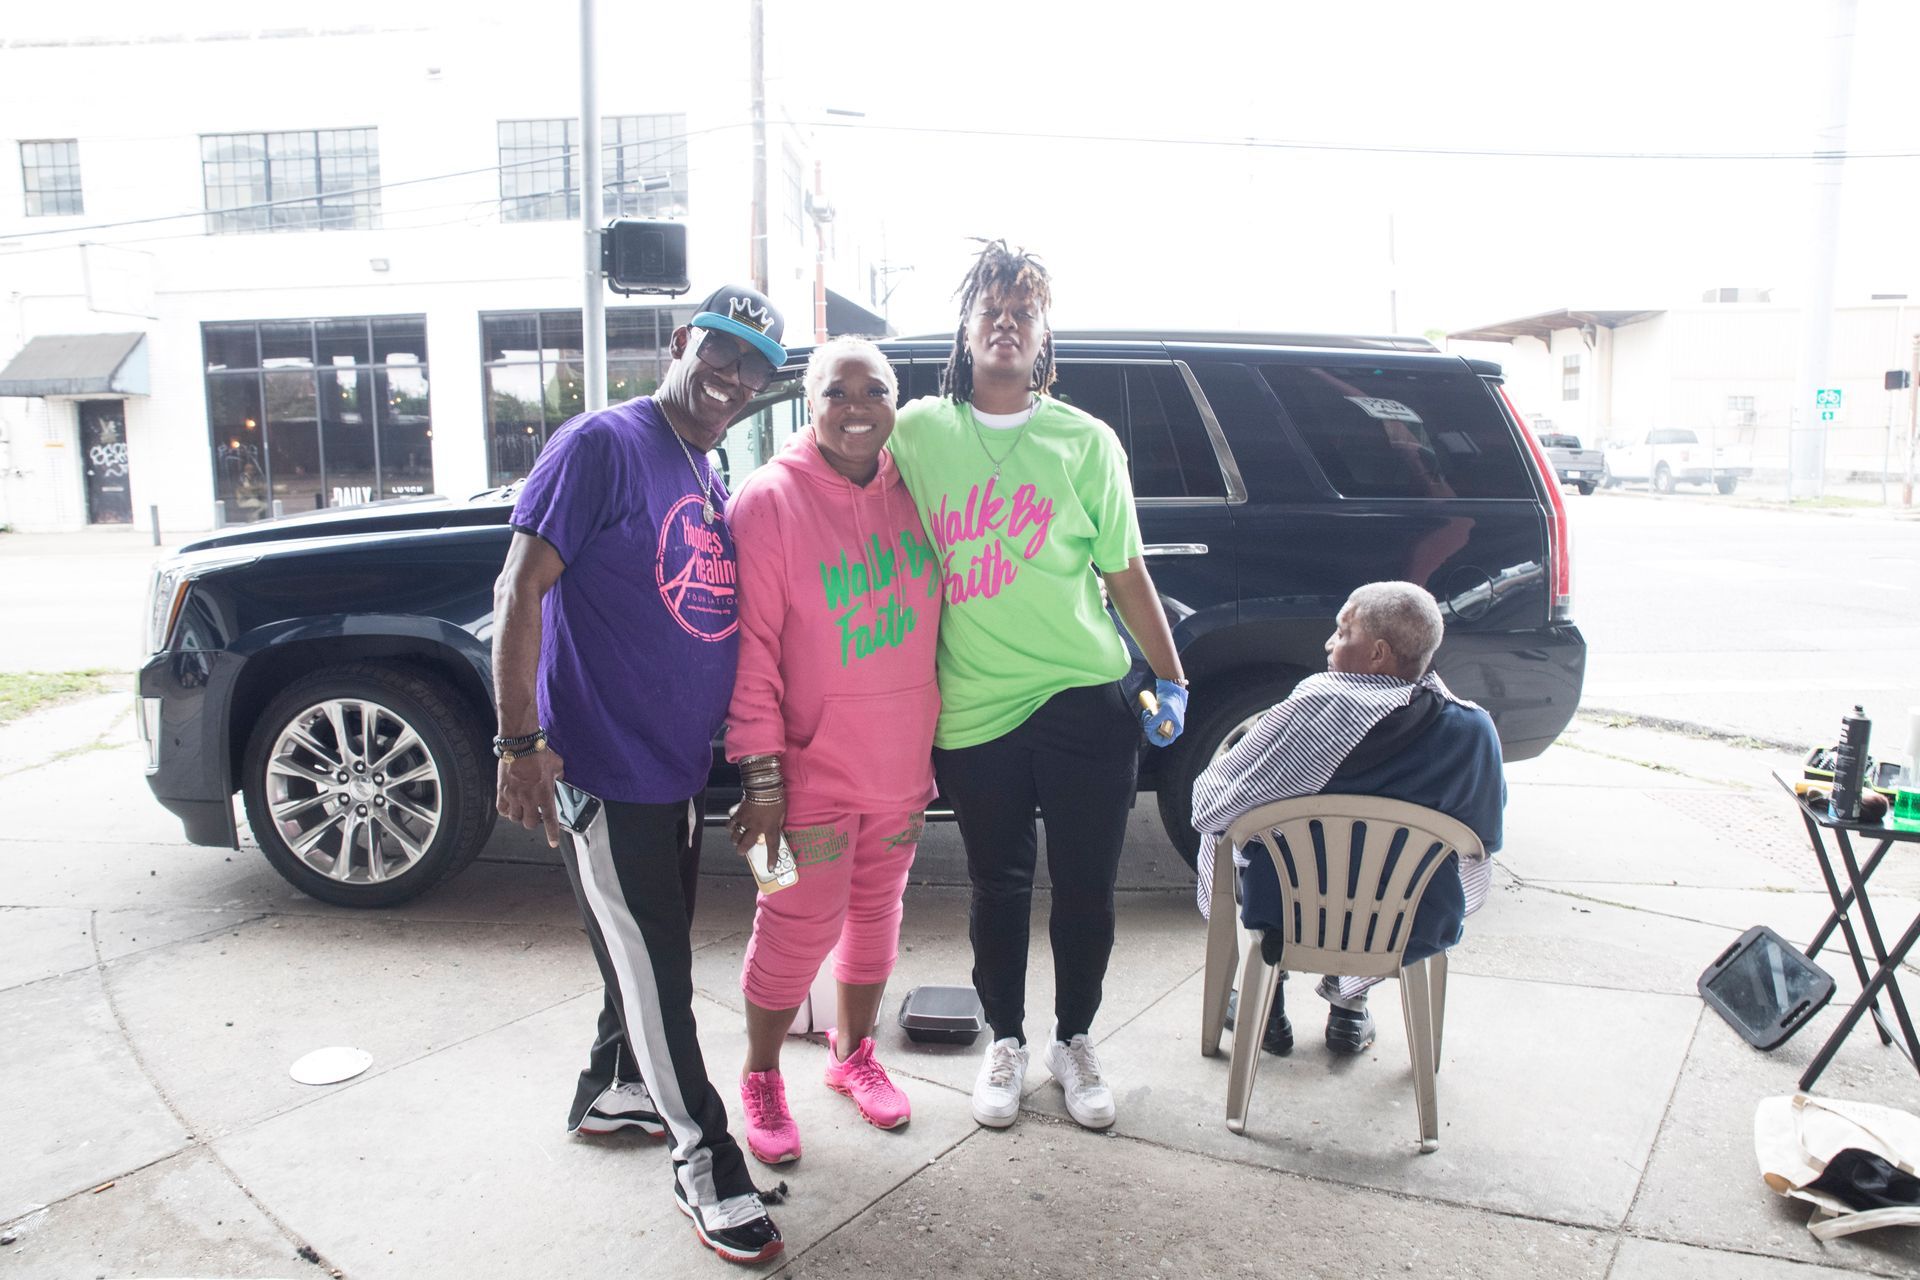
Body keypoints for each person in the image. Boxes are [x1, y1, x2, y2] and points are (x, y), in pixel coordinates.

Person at [491, 284, 787, 1265]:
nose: (735, 377)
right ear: (681, 341)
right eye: (722, 349)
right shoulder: (604, 444)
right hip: (604, 762)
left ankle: (611, 1087)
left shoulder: (700, 465)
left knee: (645, 953)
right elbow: (520, 585)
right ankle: (705, 1158)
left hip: (672, 768)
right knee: (656, 961)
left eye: (754, 365)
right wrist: (520, 743)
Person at [886, 240, 1189, 1132]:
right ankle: (1008, 1041)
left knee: (1088, 885)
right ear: (967, 330)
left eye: (1024, 310)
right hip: (973, 706)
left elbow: (1125, 573)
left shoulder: (1085, 443)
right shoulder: (918, 432)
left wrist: (1169, 676)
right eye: (992, 307)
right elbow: (836, 470)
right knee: (998, 884)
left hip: (1083, 698)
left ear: (1043, 336)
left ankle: (1076, 1039)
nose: (1007, 322)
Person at [722, 336, 942, 1164]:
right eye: (836, 393)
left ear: (896, 401)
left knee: (876, 916)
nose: (857, 408)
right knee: (789, 924)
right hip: (795, 780)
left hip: (898, 773)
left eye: (874, 391)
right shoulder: (770, 500)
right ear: (808, 405)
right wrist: (761, 778)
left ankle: (853, 1060)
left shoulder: (918, 489)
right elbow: (750, 653)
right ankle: (761, 1074)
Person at [1190, 581, 1505, 1056]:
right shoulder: (1472, 730)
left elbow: (1213, 805)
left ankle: (1266, 1000)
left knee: (1250, 843)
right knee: (1389, 875)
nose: (1329, 643)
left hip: (1289, 918)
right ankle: (1350, 1008)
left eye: (1343, 632)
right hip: (1412, 922)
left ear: (1377, 653)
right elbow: (1483, 838)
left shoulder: (1309, 712)